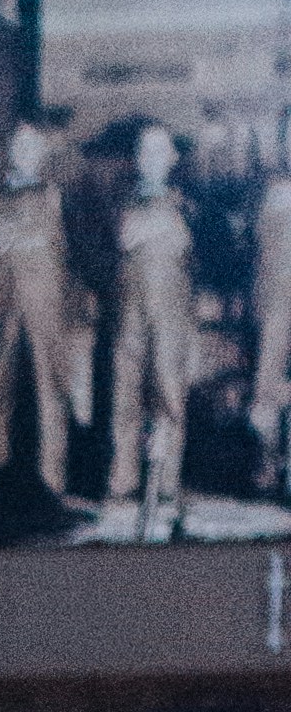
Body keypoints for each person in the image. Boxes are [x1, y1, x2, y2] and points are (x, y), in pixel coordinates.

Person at [0, 117, 79, 500]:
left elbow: (52, 241)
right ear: (10, 151)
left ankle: (54, 481)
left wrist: (20, 238)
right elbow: (0, 236)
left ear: (43, 154)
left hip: (46, 303)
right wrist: (26, 238)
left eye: (33, 147)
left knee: (51, 388)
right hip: (4, 302)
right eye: (19, 146)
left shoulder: (55, 194)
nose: (25, 154)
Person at [109, 121, 195, 534]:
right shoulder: (123, 200)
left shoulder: (189, 200)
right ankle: (123, 482)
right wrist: (155, 226)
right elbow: (124, 237)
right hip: (130, 315)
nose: (153, 158)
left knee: (169, 395)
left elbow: (185, 240)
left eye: (161, 149)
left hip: (172, 317)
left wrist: (153, 226)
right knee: (125, 396)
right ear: (138, 158)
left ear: (172, 157)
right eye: (146, 150)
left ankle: (167, 484)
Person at [252, 122, 291, 503]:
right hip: (277, 302)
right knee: (266, 388)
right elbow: (261, 254)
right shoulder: (273, 192)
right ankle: (270, 463)